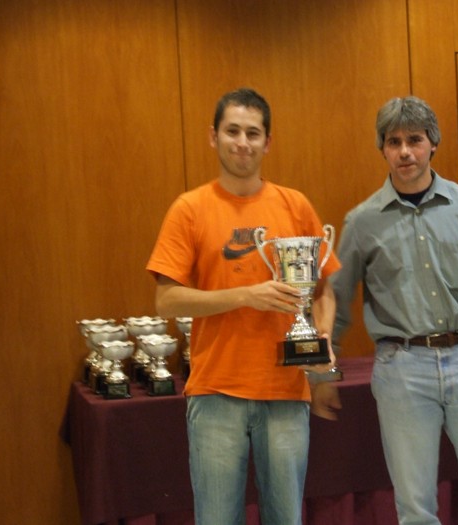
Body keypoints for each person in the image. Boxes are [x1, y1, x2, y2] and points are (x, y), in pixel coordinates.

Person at [146, 88, 341, 525]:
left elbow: (323, 290)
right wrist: (245, 295)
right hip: (216, 391)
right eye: (232, 131)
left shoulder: (295, 205)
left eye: (253, 133)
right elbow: (166, 300)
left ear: (267, 142)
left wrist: (321, 341)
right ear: (213, 136)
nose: (242, 142)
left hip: (286, 392)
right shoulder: (189, 209)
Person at [330, 96, 458, 525]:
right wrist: (324, 371)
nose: (405, 152)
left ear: (432, 143)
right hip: (402, 369)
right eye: (394, 141)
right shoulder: (361, 221)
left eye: (414, 140)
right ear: (382, 148)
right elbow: (336, 301)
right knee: (415, 508)